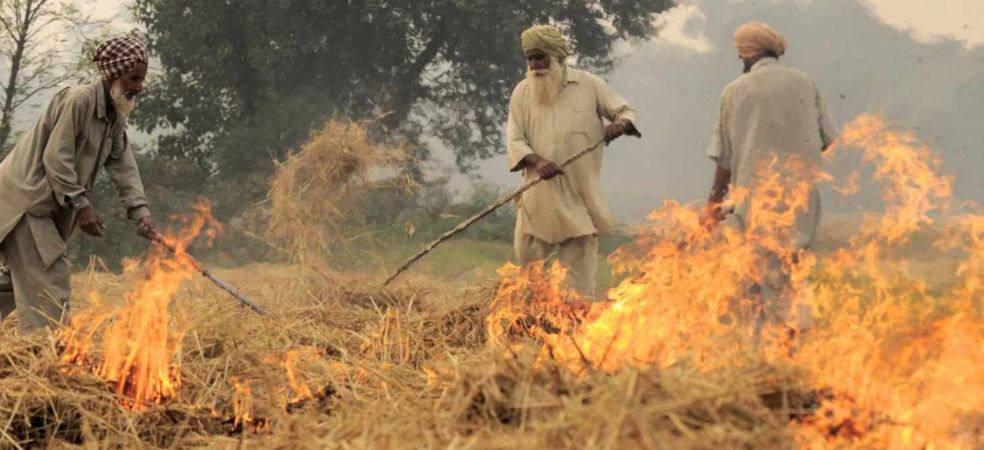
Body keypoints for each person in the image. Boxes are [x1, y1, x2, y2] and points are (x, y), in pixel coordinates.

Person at [0, 36, 157, 332]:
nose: (139, 87)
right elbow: (56, 158)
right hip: (27, 201)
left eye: (141, 80)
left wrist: (140, 211)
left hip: (40, 205)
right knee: (50, 274)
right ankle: (44, 358)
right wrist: (81, 204)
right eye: (134, 78)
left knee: (16, 281)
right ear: (113, 73)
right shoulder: (79, 100)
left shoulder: (115, 113)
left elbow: (123, 163)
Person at [701, 22, 838, 333]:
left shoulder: (736, 90)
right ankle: (791, 341)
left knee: (757, 275)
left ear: (746, 56)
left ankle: (766, 354)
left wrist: (713, 204)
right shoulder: (805, 83)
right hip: (802, 197)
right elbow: (827, 139)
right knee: (793, 267)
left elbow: (724, 157)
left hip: (755, 198)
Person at [506, 24, 640, 299]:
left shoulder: (589, 85)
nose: (535, 65)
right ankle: (527, 332)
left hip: (579, 199)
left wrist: (621, 124)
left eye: (540, 57)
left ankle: (577, 333)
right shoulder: (522, 92)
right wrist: (537, 160)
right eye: (530, 59)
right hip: (537, 199)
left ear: (557, 56)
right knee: (529, 284)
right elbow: (515, 139)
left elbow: (624, 111)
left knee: (578, 291)